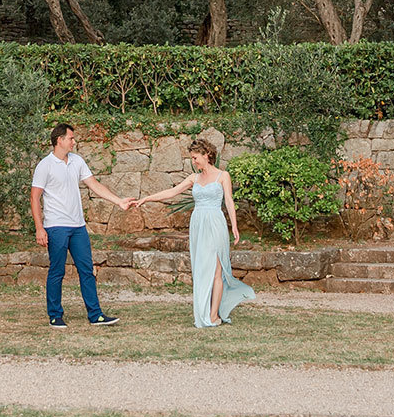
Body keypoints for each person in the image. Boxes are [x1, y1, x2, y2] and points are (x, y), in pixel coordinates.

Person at [133, 138, 255, 328]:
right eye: (192, 158)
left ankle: (214, 315)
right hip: (198, 224)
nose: (193, 161)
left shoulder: (223, 175)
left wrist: (235, 226)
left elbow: (229, 201)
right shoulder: (194, 178)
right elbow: (172, 192)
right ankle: (204, 310)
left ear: (207, 155)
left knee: (216, 270)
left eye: (195, 157)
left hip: (215, 223)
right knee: (201, 268)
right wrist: (147, 198)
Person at [31, 122, 130, 329]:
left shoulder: (77, 161)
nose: (74, 142)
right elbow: (35, 198)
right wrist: (39, 228)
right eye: (71, 139)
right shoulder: (45, 165)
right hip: (56, 226)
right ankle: (55, 315)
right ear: (60, 140)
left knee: (87, 270)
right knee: (57, 271)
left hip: (78, 226)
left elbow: (94, 185)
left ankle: (96, 315)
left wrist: (118, 201)